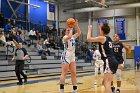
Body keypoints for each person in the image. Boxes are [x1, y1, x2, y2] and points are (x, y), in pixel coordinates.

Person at [87, 23, 118, 93]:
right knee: (105, 82)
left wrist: (89, 30)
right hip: (113, 60)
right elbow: (102, 33)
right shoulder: (108, 38)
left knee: (106, 83)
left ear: (102, 31)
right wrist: (101, 27)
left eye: (100, 30)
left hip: (108, 61)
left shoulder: (102, 38)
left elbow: (88, 39)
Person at [60, 19, 81, 93]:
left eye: (69, 30)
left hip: (72, 55)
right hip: (66, 55)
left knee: (74, 73)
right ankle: (61, 90)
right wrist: (71, 28)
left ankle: (75, 89)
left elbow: (79, 33)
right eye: (67, 30)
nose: (69, 31)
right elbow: (69, 36)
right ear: (65, 32)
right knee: (64, 73)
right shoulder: (65, 37)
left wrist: (76, 25)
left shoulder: (73, 37)